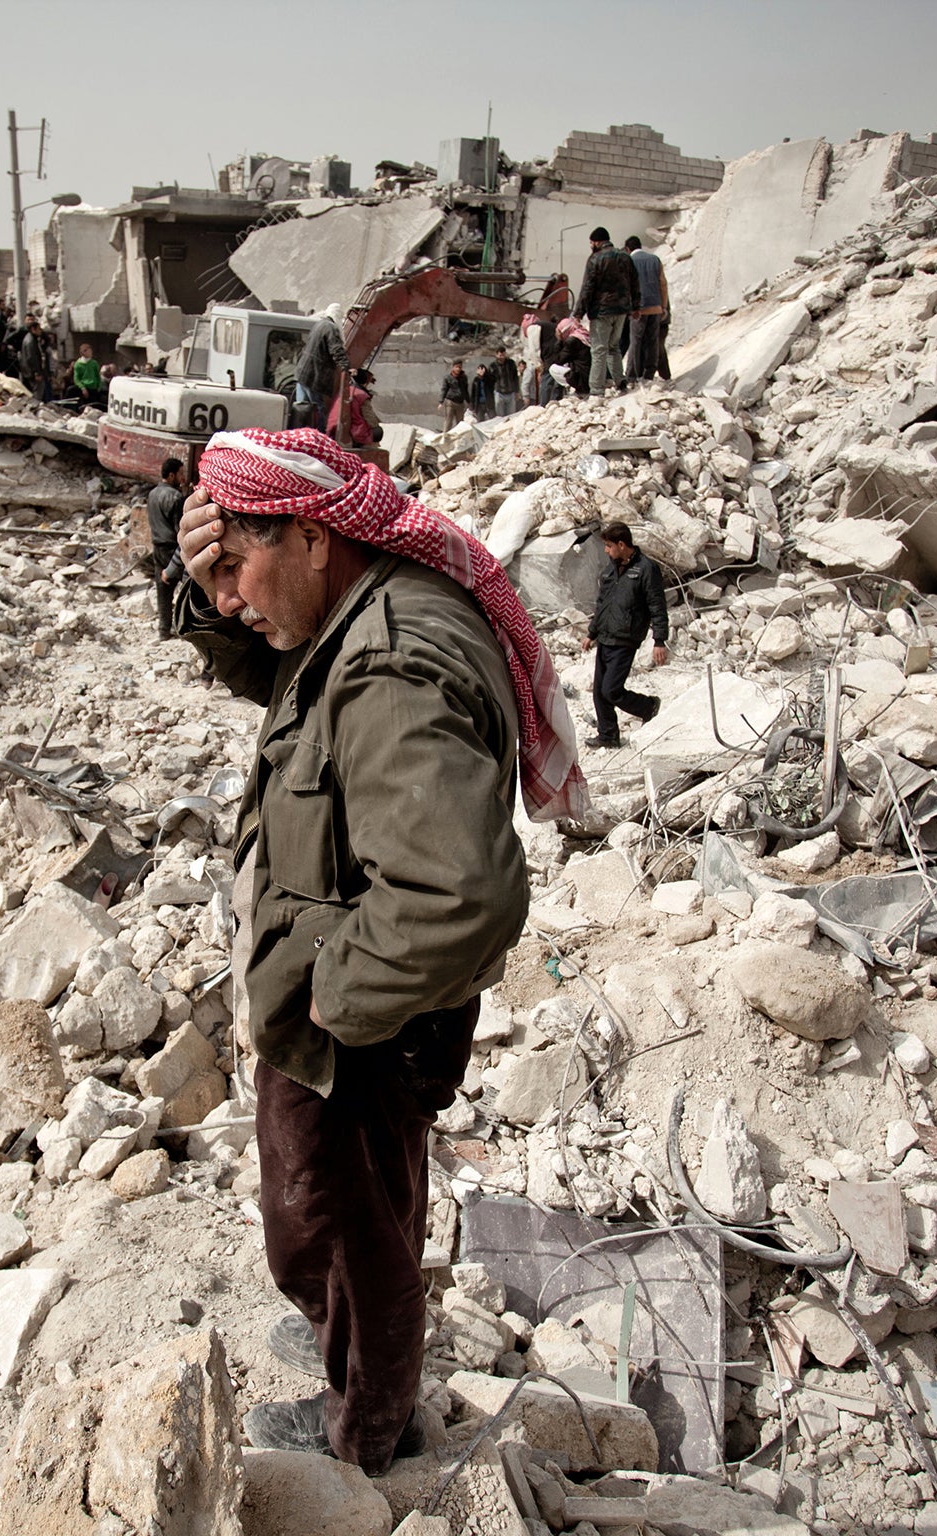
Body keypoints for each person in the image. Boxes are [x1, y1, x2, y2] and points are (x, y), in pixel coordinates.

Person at [171, 426, 585, 1475]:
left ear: (311, 539)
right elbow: (279, 671)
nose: (227, 600)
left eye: (236, 569)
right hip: (367, 1001)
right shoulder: (352, 606)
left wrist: (328, 1003)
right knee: (368, 1209)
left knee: (332, 1225)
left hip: (357, 1016)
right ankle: (349, 1347)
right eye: (211, 577)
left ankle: (365, 1430)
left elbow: (460, 893)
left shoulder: (390, 659)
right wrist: (194, 584)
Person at [580, 520, 670, 748]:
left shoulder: (646, 569)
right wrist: (592, 633)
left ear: (622, 544)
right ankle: (608, 736)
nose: (606, 550)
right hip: (606, 637)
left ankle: (648, 706)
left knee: (611, 690)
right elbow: (602, 603)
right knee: (600, 693)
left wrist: (659, 640)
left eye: (609, 546)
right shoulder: (611, 568)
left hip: (626, 639)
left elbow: (657, 606)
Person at [574, 228, 639, 396]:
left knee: (598, 350)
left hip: (602, 311)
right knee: (613, 347)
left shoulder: (595, 259)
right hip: (622, 310)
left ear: (596, 242)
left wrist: (578, 313)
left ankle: (596, 390)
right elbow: (635, 283)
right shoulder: (625, 256)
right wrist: (636, 307)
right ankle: (620, 382)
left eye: (591, 243)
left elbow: (587, 288)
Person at [146, 456, 187, 640]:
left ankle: (164, 629)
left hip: (157, 547)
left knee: (163, 590)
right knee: (185, 589)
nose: (183, 477)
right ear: (171, 475)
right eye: (181, 473)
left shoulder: (152, 493)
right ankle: (183, 627)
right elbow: (181, 530)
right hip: (173, 549)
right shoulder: (175, 497)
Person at [622, 236, 671, 383]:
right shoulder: (655, 260)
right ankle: (649, 374)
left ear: (627, 249)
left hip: (638, 310)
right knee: (652, 341)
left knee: (635, 342)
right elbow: (663, 284)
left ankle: (631, 375)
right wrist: (663, 306)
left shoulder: (629, 262)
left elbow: (626, 287)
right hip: (655, 308)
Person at [293, 303, 349, 429]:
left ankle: (299, 436)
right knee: (317, 410)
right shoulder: (331, 328)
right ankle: (321, 438)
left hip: (302, 374)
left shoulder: (319, 324)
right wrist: (346, 366)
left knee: (301, 409)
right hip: (314, 376)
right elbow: (336, 350)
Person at [325, 367, 381, 447]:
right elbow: (370, 419)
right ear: (365, 382)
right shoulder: (361, 395)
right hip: (354, 432)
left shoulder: (342, 392)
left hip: (332, 429)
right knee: (378, 432)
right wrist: (377, 425)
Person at [19, 318, 52, 402]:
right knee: (37, 394)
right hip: (33, 372)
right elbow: (32, 358)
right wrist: (37, 372)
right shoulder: (30, 341)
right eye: (39, 329)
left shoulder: (30, 338)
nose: (40, 331)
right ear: (33, 329)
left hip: (29, 371)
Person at [70, 342, 105, 406]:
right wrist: (82, 388)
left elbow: (98, 376)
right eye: (89, 351)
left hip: (94, 388)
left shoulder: (94, 363)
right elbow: (76, 378)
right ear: (83, 352)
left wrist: (99, 386)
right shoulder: (78, 364)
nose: (91, 353)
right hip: (84, 388)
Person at [438, 360, 469, 431]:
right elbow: (444, 389)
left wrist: (468, 401)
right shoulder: (448, 378)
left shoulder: (464, 378)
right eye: (456, 367)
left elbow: (466, 390)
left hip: (460, 403)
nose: (458, 369)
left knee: (460, 423)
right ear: (453, 367)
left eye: (460, 367)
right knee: (448, 422)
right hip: (450, 402)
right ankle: (445, 438)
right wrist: (441, 402)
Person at [490, 346, 521, 417]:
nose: (502, 357)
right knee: (500, 416)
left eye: (503, 355)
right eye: (500, 355)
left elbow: (515, 377)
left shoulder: (510, 363)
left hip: (510, 392)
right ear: (496, 355)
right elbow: (491, 381)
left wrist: (517, 391)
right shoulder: (493, 366)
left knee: (512, 415)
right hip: (499, 392)